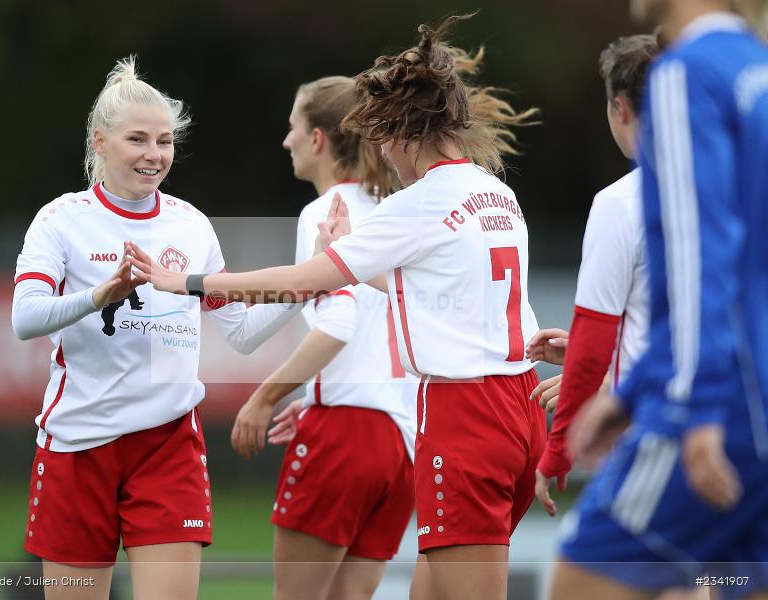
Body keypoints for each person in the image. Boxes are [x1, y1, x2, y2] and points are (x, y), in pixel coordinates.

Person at [128, 16, 543, 600]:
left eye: (383, 138)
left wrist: (189, 282)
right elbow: (429, 291)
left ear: (401, 131)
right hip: (517, 410)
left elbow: (304, 282)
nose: (383, 158)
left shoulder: (420, 202)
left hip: (464, 414)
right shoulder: (495, 192)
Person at [11, 56, 303, 600]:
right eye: (138, 140)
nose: (155, 155)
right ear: (100, 142)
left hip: (168, 444)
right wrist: (101, 295)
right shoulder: (61, 219)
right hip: (78, 443)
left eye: (165, 141)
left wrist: (308, 282)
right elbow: (24, 318)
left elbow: (239, 332)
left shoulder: (190, 224)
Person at [542, 0, 768, 598]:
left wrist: (694, 412)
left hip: (712, 401)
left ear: (620, 108)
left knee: (579, 581)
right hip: (750, 388)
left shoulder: (684, 73)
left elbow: (700, 253)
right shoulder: (757, 70)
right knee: (731, 581)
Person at [229, 75, 419, 600]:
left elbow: (337, 324)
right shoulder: (398, 214)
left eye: (293, 127)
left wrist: (264, 398)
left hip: (343, 437)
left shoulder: (325, 213)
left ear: (318, 139)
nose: (285, 140)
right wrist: (319, 395)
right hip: (402, 445)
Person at [527, 32, 662, 516]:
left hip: (655, 430)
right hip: (734, 421)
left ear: (619, 108)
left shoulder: (621, 202)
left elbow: (594, 334)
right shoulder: (732, 189)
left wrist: (558, 447)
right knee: (705, 581)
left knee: (580, 579)